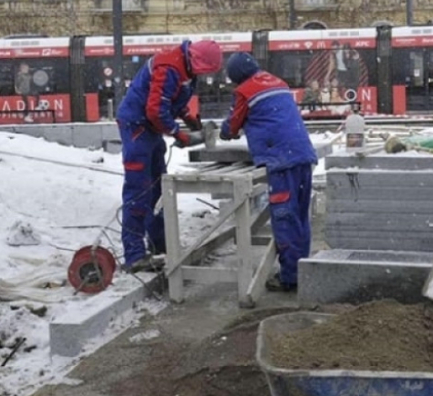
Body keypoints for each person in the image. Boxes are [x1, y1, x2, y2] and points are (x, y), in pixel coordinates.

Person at [115, 39, 223, 273]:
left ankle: (158, 246)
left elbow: (173, 100)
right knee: (140, 190)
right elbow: (155, 110)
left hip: (149, 129)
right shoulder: (169, 67)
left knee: (158, 189)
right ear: (196, 60)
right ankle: (134, 255)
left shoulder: (185, 68)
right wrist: (178, 134)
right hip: (137, 127)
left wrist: (188, 119)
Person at [220, 52, 317, 292]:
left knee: (284, 218)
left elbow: (232, 125)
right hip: (303, 155)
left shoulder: (245, 91)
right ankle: (302, 270)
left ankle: (290, 278)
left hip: (281, 160)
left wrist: (222, 131)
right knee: (300, 218)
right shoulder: (278, 82)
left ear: (235, 77)